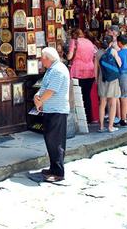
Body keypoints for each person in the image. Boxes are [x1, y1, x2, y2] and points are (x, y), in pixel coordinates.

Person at [34, 47, 70, 183]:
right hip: (50, 109)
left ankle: (59, 172)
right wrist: (37, 97)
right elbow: (44, 88)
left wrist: (40, 101)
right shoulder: (51, 70)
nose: (41, 61)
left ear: (48, 59)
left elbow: (51, 91)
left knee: (56, 142)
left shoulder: (58, 70)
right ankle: (53, 168)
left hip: (57, 110)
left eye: (42, 59)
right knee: (50, 140)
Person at [66, 29, 96, 123]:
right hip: (90, 71)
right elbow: (94, 54)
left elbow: (70, 57)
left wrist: (66, 55)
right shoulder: (89, 42)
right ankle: (89, 117)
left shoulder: (74, 42)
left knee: (77, 96)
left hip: (78, 71)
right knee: (87, 95)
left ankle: (79, 119)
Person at [95, 36, 122, 132]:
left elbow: (96, 69)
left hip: (102, 79)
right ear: (111, 43)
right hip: (113, 79)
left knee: (102, 103)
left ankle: (101, 126)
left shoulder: (98, 53)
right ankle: (110, 126)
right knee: (113, 103)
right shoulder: (113, 51)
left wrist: (96, 80)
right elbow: (119, 64)